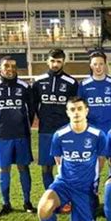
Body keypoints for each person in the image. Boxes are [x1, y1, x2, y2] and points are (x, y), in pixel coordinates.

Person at [37, 97, 107, 221]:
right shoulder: (59, 135)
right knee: (43, 209)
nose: (76, 113)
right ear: (67, 112)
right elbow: (58, 161)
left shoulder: (98, 135)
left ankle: (78, 207)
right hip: (64, 184)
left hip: (84, 188)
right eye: (72, 109)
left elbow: (101, 161)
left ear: (86, 111)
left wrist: (93, 183)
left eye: (80, 109)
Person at [0, 57, 35, 216]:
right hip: (2, 136)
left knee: (23, 167)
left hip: (21, 134)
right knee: (4, 168)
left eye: (13, 66)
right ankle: (5, 203)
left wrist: (22, 125)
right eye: (6, 66)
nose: (10, 69)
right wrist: (2, 126)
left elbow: (31, 111)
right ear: (0, 69)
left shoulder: (25, 87)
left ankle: (27, 202)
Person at [33, 49, 78, 190]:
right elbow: (34, 105)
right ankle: (50, 196)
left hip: (65, 131)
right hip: (45, 131)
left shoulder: (71, 83)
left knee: (67, 167)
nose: (55, 64)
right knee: (46, 168)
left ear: (64, 62)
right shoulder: (38, 82)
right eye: (52, 61)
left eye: (59, 61)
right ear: (47, 61)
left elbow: (75, 107)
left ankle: (66, 198)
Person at [78, 51, 111, 133]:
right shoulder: (84, 85)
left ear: (105, 65)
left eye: (101, 64)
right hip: (90, 128)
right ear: (91, 66)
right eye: (95, 64)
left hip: (110, 127)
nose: (98, 67)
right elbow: (80, 107)